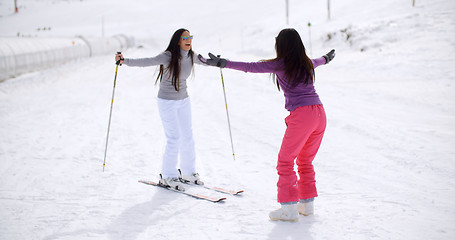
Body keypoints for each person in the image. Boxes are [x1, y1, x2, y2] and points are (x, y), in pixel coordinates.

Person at [199, 28, 335, 221]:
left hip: (303, 115)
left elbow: (251, 67)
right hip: (320, 113)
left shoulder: (281, 64)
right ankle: (307, 205)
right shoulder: (307, 63)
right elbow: (320, 61)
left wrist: (223, 63)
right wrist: (327, 57)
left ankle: (288, 209)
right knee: (305, 160)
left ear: (281, 45)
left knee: (285, 160)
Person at [115, 28, 204, 191]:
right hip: (167, 101)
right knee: (174, 137)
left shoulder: (192, 56)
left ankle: (188, 173)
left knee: (187, 136)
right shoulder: (168, 56)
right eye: (185, 37)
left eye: (190, 36)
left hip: (184, 100)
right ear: (178, 41)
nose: (189, 39)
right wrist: (124, 60)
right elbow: (146, 61)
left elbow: (206, 61)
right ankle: (168, 175)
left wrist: (221, 63)